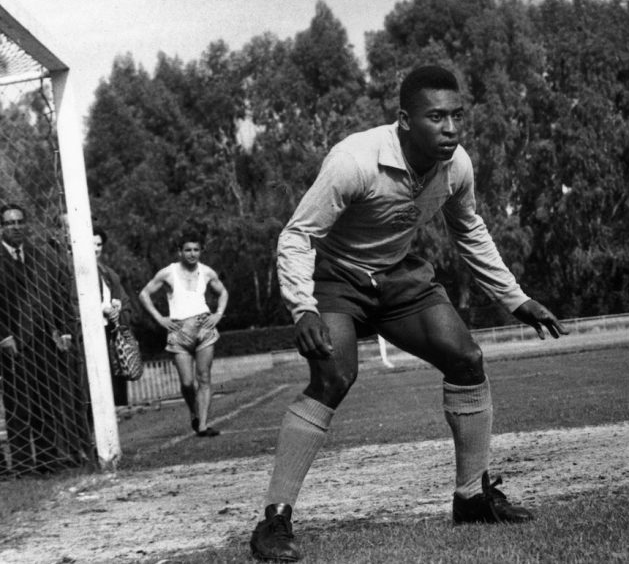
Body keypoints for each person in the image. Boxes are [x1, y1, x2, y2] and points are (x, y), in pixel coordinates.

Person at [249, 65, 567, 562]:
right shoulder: (354, 160)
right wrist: (302, 308)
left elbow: (470, 230)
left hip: (399, 276)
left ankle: (471, 499)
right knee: (335, 376)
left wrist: (514, 298)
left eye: (456, 116)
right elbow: (298, 235)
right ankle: (274, 521)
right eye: (436, 116)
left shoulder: (456, 165)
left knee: (466, 358)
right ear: (404, 120)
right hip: (337, 280)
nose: (451, 128)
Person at [0, 203, 86, 475]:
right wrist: (3, 336)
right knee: (18, 405)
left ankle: (48, 460)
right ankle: (25, 465)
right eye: (9, 223)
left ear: (27, 224)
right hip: (12, 344)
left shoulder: (41, 256)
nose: (15, 227)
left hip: (44, 342)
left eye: (19, 222)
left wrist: (64, 330)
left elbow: (59, 295)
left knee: (46, 402)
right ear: (1, 227)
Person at [138, 232, 228, 437]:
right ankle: (194, 413)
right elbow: (144, 294)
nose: (192, 254)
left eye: (196, 250)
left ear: (201, 251)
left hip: (204, 328)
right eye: (188, 250)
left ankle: (203, 425)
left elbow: (222, 292)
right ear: (180, 251)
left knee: (204, 378)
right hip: (179, 332)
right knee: (187, 382)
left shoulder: (206, 272)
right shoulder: (168, 273)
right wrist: (160, 319)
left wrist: (218, 314)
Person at [94, 227, 133, 407]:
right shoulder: (72, 271)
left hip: (110, 335)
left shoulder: (108, 273)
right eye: (91, 244)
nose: (95, 249)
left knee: (116, 384)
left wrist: (118, 311)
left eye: (99, 244)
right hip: (89, 336)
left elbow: (125, 303)